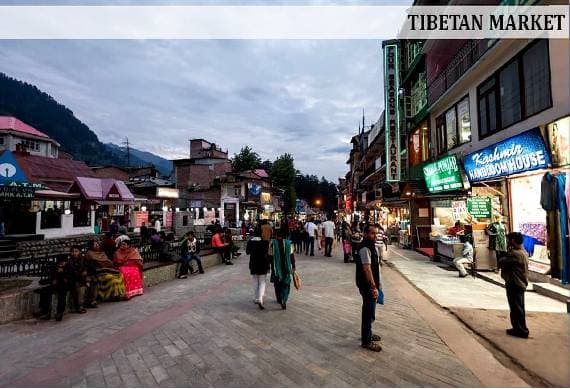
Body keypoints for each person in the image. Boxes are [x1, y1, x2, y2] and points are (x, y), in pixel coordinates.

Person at [354, 224, 383, 352]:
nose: (375, 236)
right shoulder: (365, 248)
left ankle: (368, 333)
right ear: (365, 234)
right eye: (372, 233)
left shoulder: (371, 247)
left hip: (371, 285)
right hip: (367, 286)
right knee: (368, 312)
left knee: (370, 312)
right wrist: (373, 287)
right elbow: (367, 269)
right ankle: (366, 340)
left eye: (376, 233)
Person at [498, 232, 530, 338]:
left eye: (508, 240)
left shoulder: (515, 254)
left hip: (515, 283)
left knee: (516, 308)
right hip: (519, 283)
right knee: (518, 307)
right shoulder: (524, 252)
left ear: (512, 241)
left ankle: (521, 330)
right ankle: (518, 328)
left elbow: (502, 261)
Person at [37, 250, 75, 321]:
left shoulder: (69, 267)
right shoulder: (55, 267)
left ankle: (59, 312)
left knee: (62, 294)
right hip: (55, 285)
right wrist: (55, 276)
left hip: (65, 286)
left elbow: (70, 278)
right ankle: (44, 310)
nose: (61, 264)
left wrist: (63, 272)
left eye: (63, 263)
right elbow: (52, 277)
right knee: (45, 291)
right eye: (60, 263)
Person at [269, 228, 296, 310]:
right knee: (286, 284)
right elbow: (292, 256)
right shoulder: (289, 243)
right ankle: (284, 299)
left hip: (276, 267)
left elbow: (270, 256)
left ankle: (279, 299)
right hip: (286, 267)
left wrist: (270, 266)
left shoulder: (272, 244)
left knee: (277, 283)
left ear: (276, 236)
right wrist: (293, 266)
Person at [247, 227, 271, 309]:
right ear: (261, 233)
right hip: (263, 264)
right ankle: (260, 298)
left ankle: (256, 298)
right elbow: (267, 253)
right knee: (262, 282)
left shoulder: (250, 242)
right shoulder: (265, 242)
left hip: (253, 263)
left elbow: (247, 252)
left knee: (255, 281)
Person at [68, 245, 98, 310]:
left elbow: (89, 268)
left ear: (80, 252)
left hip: (84, 278)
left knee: (93, 280)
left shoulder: (83, 259)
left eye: (76, 251)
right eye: (73, 252)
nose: (74, 253)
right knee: (81, 286)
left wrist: (87, 275)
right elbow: (73, 273)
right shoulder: (70, 262)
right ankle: (80, 305)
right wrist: (83, 276)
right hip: (75, 280)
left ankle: (92, 301)